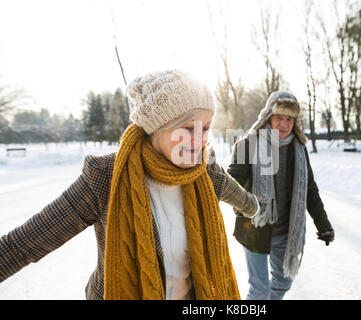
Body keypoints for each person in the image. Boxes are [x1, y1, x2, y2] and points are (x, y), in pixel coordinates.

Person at [0, 70, 260, 300]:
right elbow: (25, 243)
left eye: (205, 128)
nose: (200, 141)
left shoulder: (205, 170)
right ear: (156, 128)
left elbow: (236, 194)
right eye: (187, 129)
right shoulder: (106, 176)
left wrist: (253, 208)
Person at [227, 91, 335, 300]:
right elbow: (232, 184)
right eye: (279, 118)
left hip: (286, 231)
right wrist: (242, 207)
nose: (283, 125)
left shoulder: (299, 149)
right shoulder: (247, 145)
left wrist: (324, 225)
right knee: (259, 291)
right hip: (255, 228)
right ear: (268, 117)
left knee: (283, 282)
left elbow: (310, 190)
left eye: (289, 119)